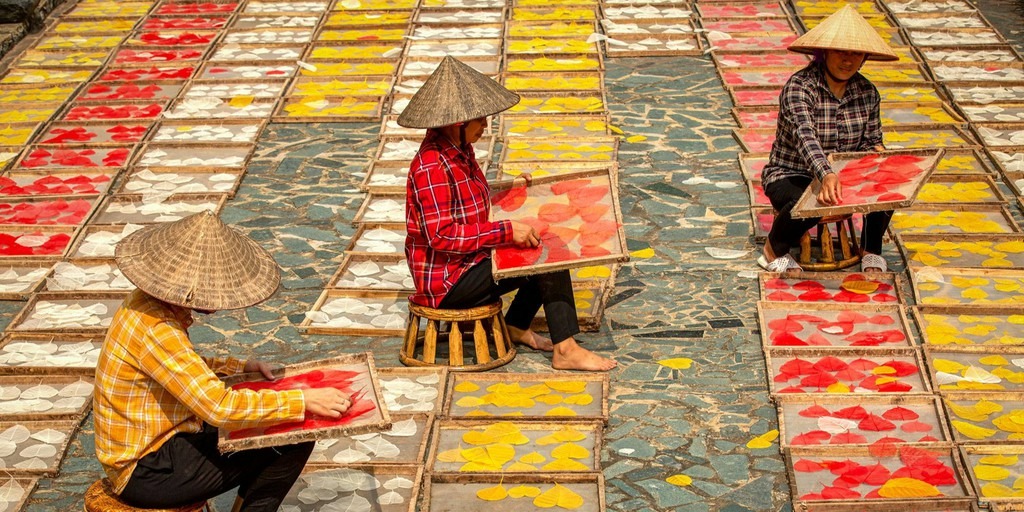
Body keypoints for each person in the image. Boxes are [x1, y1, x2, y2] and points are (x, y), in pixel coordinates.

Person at [94, 211, 352, 511]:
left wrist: (240, 368)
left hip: (159, 445)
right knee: (293, 438)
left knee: (269, 426)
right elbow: (219, 407)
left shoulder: (144, 303)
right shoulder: (157, 328)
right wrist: (303, 400)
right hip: (147, 469)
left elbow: (183, 366)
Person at [397, 56, 616, 371]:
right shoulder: (432, 166)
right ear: (458, 123)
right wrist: (505, 232)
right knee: (549, 254)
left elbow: (467, 204)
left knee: (539, 240)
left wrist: (509, 191)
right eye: (480, 119)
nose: (485, 126)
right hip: (448, 282)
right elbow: (442, 235)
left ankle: (515, 325)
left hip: (469, 262)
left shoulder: (459, 152)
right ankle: (566, 349)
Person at [758, 5, 899, 274]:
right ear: (824, 53)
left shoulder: (868, 92)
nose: (848, 60)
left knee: (890, 180)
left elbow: (871, 139)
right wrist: (825, 174)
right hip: (792, 174)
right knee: (813, 199)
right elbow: (805, 135)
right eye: (840, 52)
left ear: (864, 58)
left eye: (855, 53)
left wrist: (879, 156)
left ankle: (871, 249)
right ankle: (773, 249)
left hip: (843, 175)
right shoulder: (800, 86)